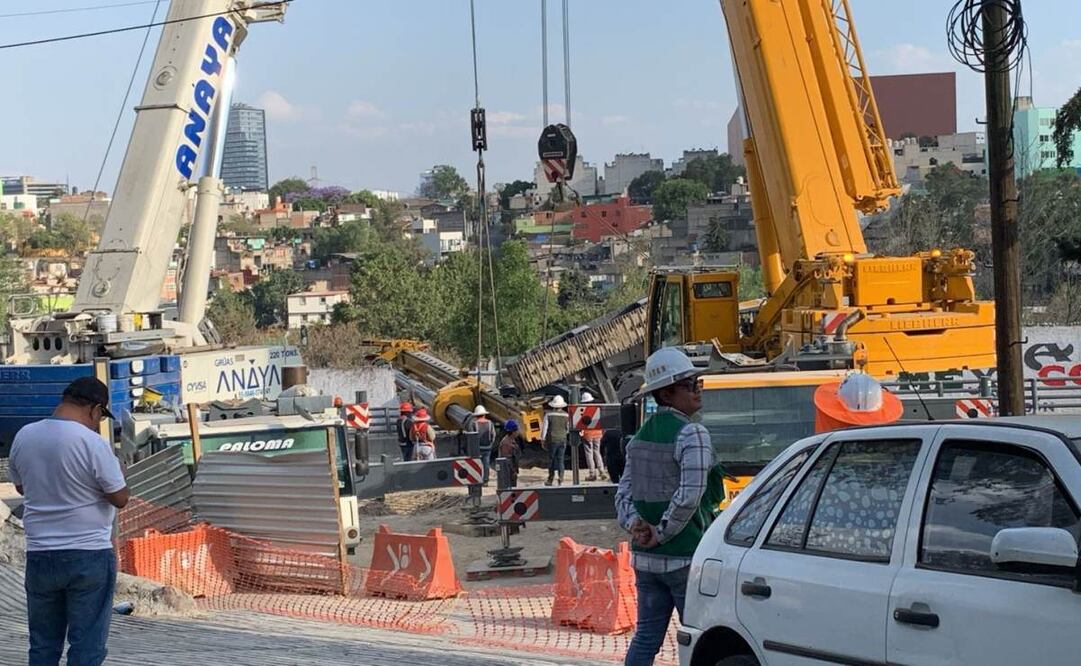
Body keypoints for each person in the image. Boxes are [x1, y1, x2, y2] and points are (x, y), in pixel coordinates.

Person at [9, 376, 131, 666]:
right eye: (100, 416)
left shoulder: (24, 436)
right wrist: (120, 473)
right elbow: (120, 498)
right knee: (86, 645)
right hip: (88, 555)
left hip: (40, 556)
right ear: (94, 409)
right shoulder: (92, 443)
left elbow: (22, 488)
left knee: (43, 645)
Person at [615, 348, 725, 666]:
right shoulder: (693, 434)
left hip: (646, 559)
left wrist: (636, 525)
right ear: (667, 392)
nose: (697, 390)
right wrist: (661, 533)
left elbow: (623, 493)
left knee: (646, 638)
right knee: (698, 640)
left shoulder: (638, 438)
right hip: (684, 558)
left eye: (697, 382)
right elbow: (690, 496)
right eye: (690, 384)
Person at [541, 395, 569, 486]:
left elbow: (545, 428)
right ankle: (561, 479)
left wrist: (542, 439)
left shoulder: (548, 415)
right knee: (561, 460)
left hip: (552, 440)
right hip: (562, 440)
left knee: (552, 460)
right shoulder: (566, 415)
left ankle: (550, 479)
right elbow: (568, 429)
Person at [578, 391, 606, 481]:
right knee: (597, 452)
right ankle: (602, 472)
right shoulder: (597, 409)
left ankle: (592, 474)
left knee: (589, 454)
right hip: (598, 433)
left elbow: (580, 424)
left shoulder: (582, 411)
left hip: (588, 435)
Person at [469, 405, 496, 484]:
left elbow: (472, 436)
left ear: (476, 415)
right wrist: (491, 444)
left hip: (478, 448)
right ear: (484, 414)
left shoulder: (474, 424)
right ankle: (486, 480)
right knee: (486, 464)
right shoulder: (490, 423)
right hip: (487, 447)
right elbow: (493, 435)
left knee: (477, 464)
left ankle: (478, 479)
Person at [497, 420, 522, 487]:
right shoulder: (506, 443)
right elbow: (506, 460)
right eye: (517, 430)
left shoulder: (511, 440)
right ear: (513, 432)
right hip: (508, 473)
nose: (518, 432)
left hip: (511, 472)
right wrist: (513, 471)